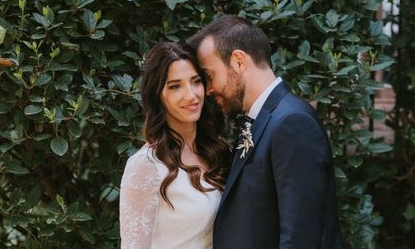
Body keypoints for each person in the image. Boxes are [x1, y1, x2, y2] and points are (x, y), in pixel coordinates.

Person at [188, 15, 343, 248]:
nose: (208, 90)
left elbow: (300, 238)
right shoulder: (262, 119)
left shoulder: (292, 123)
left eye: (210, 76)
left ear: (239, 61)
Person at [119, 42, 230, 249]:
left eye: (196, 81)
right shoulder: (146, 166)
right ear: (157, 95)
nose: (191, 95)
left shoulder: (217, 152)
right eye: (175, 86)